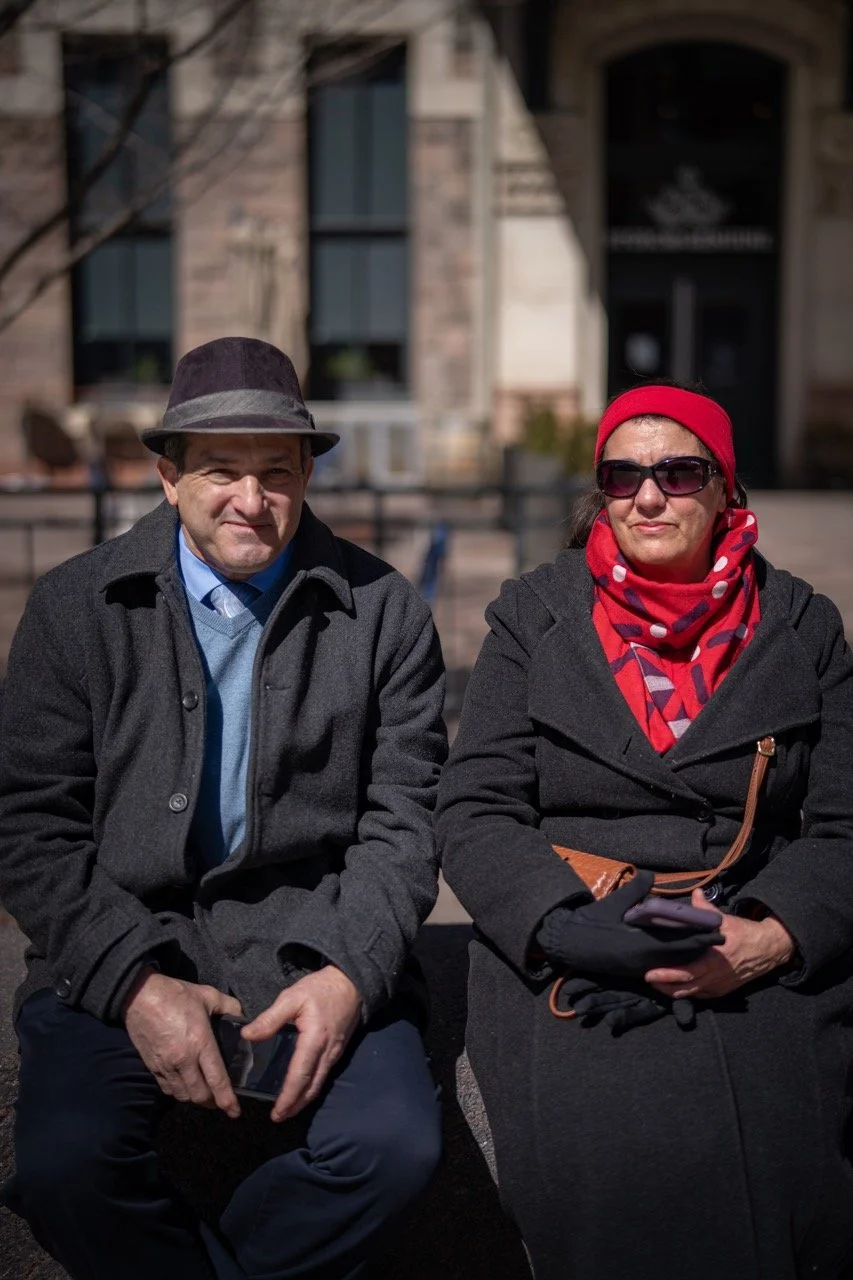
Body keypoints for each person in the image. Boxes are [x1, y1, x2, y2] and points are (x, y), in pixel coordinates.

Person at [0, 336, 447, 1280]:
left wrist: (348, 974)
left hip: (314, 943)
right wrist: (133, 984)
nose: (251, 498)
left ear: (307, 476)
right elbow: (31, 824)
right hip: (128, 939)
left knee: (393, 1150)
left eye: (276, 471)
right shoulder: (76, 607)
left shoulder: (385, 612)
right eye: (219, 470)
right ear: (169, 479)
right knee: (64, 1168)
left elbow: (405, 822)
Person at [436, 383, 853, 1280]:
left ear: (725, 489)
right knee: (616, 1156)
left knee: (777, 1161)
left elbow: (845, 823)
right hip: (572, 942)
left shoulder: (802, 626)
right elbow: (475, 804)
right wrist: (559, 927)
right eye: (623, 477)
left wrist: (772, 936)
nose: (648, 497)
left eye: (679, 472)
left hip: (746, 935)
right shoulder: (533, 615)